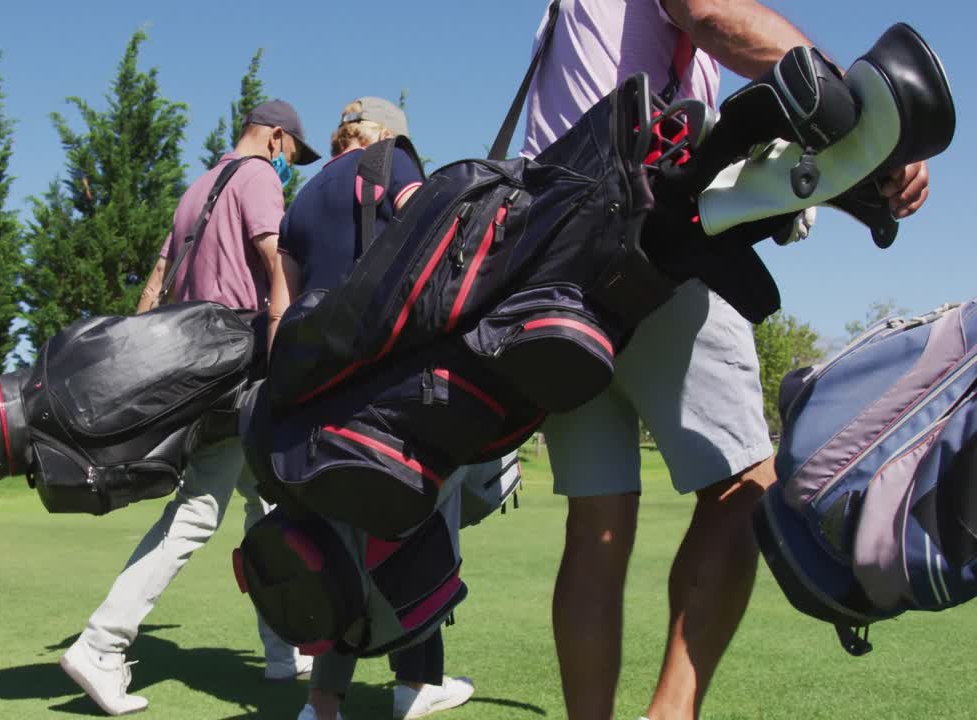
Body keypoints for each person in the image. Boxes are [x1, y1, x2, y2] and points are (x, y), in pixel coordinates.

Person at [521, 2, 931, 720]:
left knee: (596, 524)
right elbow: (713, 13)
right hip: (645, 239)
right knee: (743, 488)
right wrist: (866, 115)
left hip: (549, 262)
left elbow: (723, 141)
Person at [59, 99, 322, 716]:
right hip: (237, 364)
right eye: (293, 154)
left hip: (195, 369)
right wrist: (286, 345)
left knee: (271, 502)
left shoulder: (197, 187)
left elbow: (158, 283)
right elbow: (273, 262)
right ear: (276, 137)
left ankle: (285, 649)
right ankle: (101, 643)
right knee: (198, 513)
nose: (291, 167)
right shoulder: (257, 177)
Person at [267, 97, 475, 720]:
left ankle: (323, 703)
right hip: (390, 385)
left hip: (313, 397)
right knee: (418, 522)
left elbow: (281, 310)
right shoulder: (394, 163)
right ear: (388, 135)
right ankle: (416, 685)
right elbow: (435, 239)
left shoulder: (301, 198)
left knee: (336, 543)